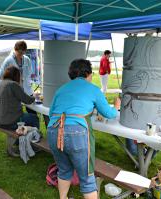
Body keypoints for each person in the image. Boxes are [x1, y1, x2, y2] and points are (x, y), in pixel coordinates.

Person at [47, 59, 120, 199]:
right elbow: (109, 114)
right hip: (76, 133)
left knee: (63, 170)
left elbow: (51, 114)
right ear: (87, 73)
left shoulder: (61, 89)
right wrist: (116, 106)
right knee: (87, 177)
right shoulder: (92, 88)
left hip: (54, 130)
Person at [0, 40, 39, 126]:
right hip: (14, 89)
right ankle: (25, 128)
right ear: (15, 50)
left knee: (32, 111)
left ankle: (30, 128)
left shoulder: (27, 59)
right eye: (19, 52)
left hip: (27, 89)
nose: (21, 54)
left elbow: (30, 72)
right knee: (17, 109)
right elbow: (1, 75)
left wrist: (25, 79)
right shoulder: (8, 60)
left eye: (23, 52)